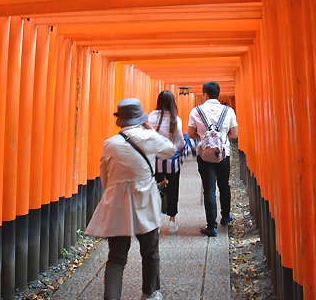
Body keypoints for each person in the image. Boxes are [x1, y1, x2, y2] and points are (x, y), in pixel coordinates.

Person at [85, 98, 176, 300]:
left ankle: (111, 297)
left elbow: (105, 178)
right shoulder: (149, 138)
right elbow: (171, 149)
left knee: (116, 257)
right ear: (141, 118)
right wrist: (151, 130)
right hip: (146, 201)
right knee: (150, 251)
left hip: (117, 204)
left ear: (121, 120)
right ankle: (150, 293)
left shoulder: (110, 144)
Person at [187, 81, 239, 237]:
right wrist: (222, 138)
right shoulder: (228, 111)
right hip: (223, 154)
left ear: (204, 94)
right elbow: (235, 134)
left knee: (209, 189)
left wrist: (204, 137)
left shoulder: (196, 111)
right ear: (218, 94)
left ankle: (211, 226)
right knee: (224, 185)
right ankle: (225, 216)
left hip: (204, 155)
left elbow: (190, 134)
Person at [147, 90, 185, 234]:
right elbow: (180, 143)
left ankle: (154, 221)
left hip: (155, 160)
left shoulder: (151, 117)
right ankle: (172, 220)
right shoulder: (176, 119)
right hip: (171, 160)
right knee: (173, 188)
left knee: (155, 188)